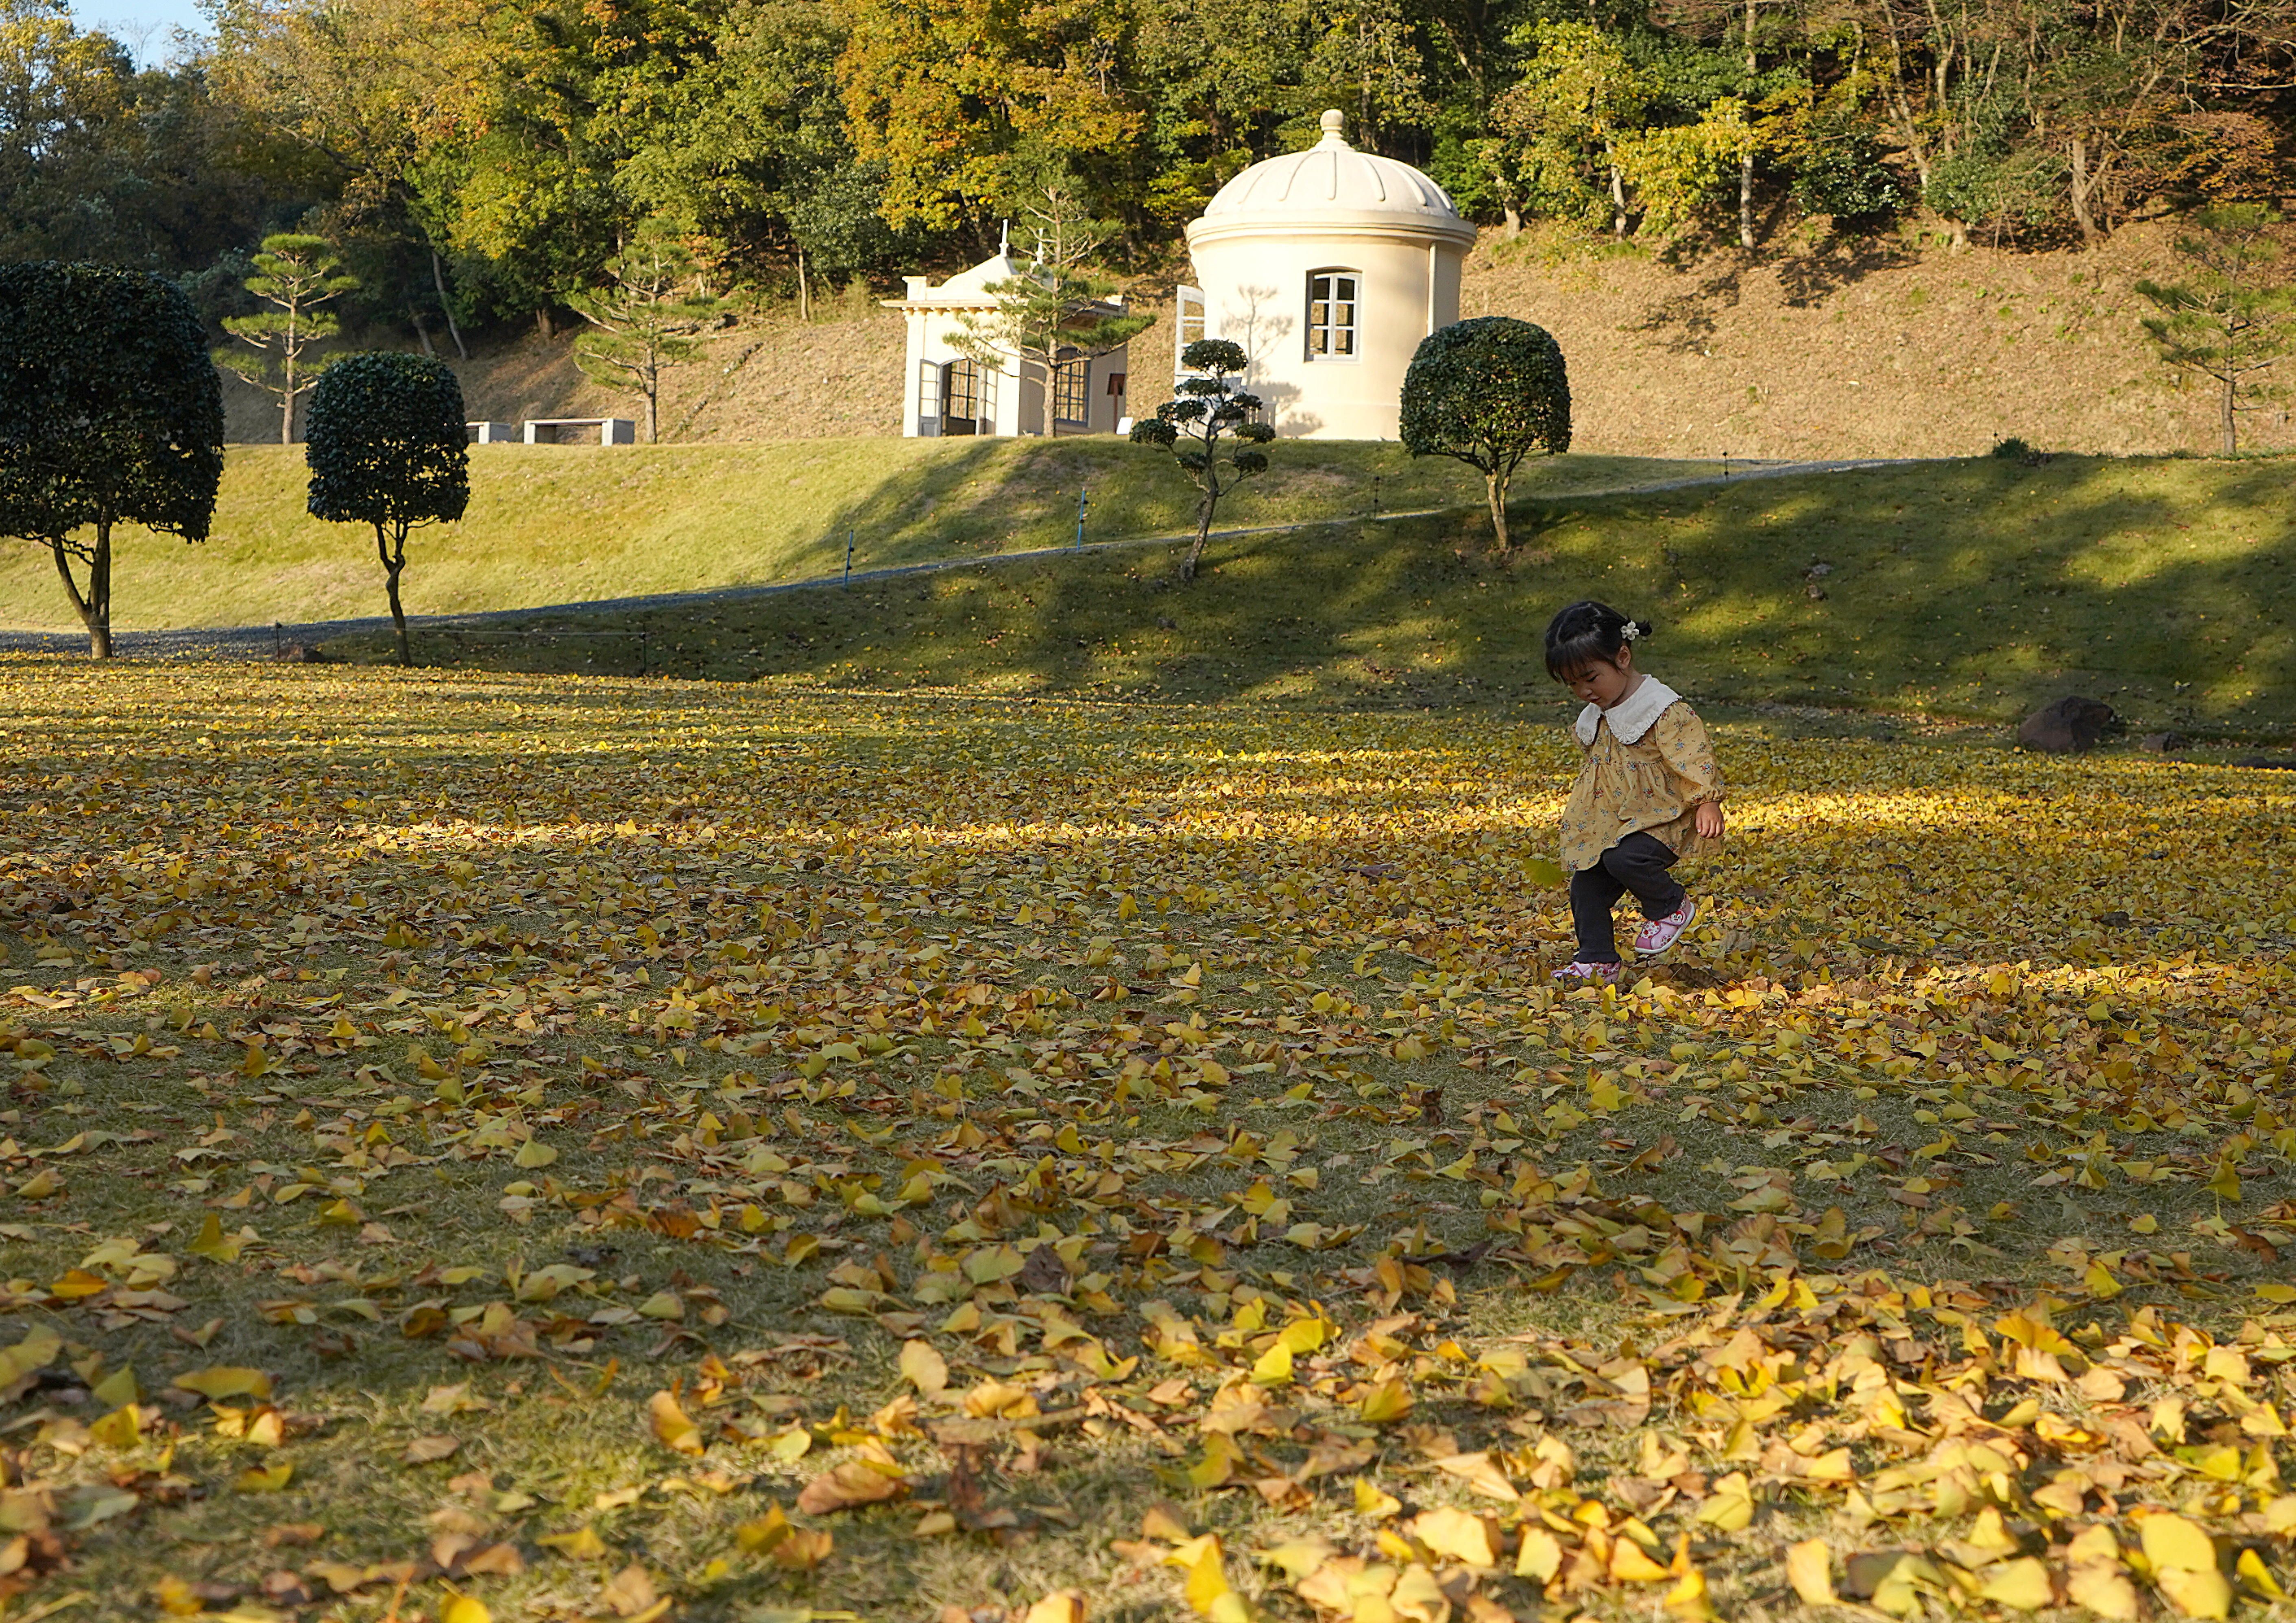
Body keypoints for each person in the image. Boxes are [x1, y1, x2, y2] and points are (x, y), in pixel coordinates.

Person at [1544, 601, 1724, 984]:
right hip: (1613, 819)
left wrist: (1707, 800)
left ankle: (1670, 905)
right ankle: (1597, 958)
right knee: (1587, 882)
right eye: (1572, 684)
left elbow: (1693, 753)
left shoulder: (1660, 708)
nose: (1583, 691)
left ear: (1622, 656)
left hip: (1662, 815)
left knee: (1627, 859)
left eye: (1590, 678)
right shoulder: (1600, 710)